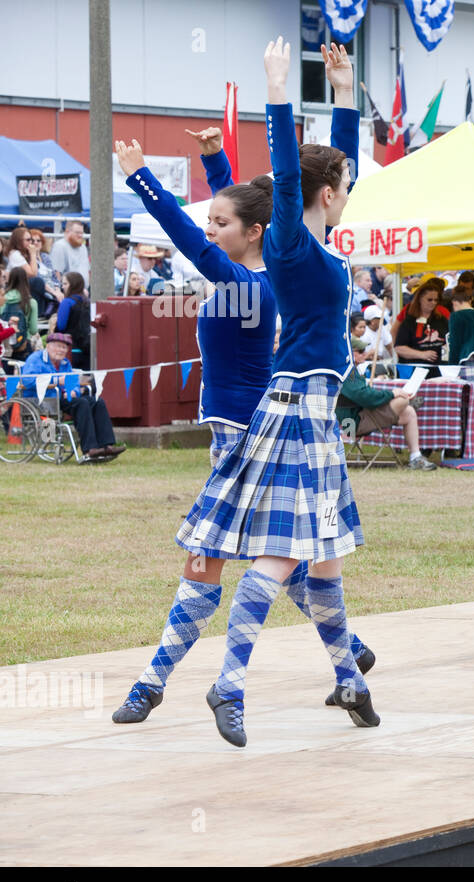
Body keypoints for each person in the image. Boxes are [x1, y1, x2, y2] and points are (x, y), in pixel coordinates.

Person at [110, 92, 375, 729]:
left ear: (252, 232)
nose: (209, 233)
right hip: (263, 426)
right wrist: (217, 164)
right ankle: (345, 662)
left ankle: (157, 682)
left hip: (249, 431)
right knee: (291, 555)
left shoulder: (241, 281)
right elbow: (252, 210)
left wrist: (142, 176)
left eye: (219, 225)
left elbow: (199, 226)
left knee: (223, 557)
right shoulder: (266, 266)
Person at [174, 37, 376, 746]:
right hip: (294, 409)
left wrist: (344, 87)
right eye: (345, 187)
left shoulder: (324, 245)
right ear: (328, 195)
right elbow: (291, 172)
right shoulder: (292, 243)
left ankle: (348, 675)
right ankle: (228, 685)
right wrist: (279, 86)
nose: (349, 194)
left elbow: (327, 163)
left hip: (312, 413)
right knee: (281, 555)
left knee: (325, 556)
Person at [19, 333, 123, 459]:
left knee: (97, 401)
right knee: (81, 404)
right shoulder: (36, 359)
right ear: (48, 346)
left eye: (64, 348)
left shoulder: (65, 363)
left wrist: (74, 391)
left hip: (61, 399)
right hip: (42, 399)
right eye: (58, 346)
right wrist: (56, 381)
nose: (61, 350)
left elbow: (73, 381)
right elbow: (27, 381)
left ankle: (107, 446)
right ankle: (90, 449)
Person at [336, 363, 435, 470]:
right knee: (402, 399)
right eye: (360, 351)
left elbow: (366, 396)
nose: (363, 353)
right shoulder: (346, 371)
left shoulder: (344, 369)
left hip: (354, 419)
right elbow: (366, 398)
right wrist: (392, 394)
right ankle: (406, 402)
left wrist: (391, 395)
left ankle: (416, 457)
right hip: (353, 424)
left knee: (409, 412)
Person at [393, 275, 448, 367]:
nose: (433, 303)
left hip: (439, 370)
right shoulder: (409, 322)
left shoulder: (441, 319)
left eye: (436, 300)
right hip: (415, 371)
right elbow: (399, 348)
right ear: (420, 299)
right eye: (429, 300)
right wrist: (422, 354)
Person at [52, 272, 92, 369]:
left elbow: (61, 326)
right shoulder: (88, 302)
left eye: (65, 284)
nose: (63, 287)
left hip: (70, 349)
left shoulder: (67, 302)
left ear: (73, 285)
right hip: (87, 347)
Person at [3, 267, 40, 361]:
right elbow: (33, 330)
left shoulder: (2, 300)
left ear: (10, 279)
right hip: (23, 344)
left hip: (4, 345)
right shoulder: (31, 302)